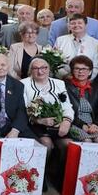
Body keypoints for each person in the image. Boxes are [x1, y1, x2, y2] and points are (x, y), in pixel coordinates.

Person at [0, 54, 34, 181]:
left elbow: (21, 110)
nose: (0, 67)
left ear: (8, 67)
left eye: (3, 64)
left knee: (33, 142)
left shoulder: (17, 85)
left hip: (11, 123)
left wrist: (15, 129)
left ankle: (30, 177)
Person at [21, 56, 74, 187]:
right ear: (30, 70)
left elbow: (67, 106)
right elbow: (21, 110)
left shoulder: (59, 84)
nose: (40, 71)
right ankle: (39, 175)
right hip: (35, 124)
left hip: (58, 125)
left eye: (44, 68)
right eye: (36, 68)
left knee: (68, 144)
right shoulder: (23, 84)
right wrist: (40, 120)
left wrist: (66, 121)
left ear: (49, 69)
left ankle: (58, 176)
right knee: (46, 144)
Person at [65, 55, 98, 143]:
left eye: (84, 69)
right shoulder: (65, 87)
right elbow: (64, 110)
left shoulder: (96, 88)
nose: (81, 72)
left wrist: (97, 125)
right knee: (87, 140)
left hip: (92, 125)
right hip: (73, 125)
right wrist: (82, 125)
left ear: (90, 72)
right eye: (77, 68)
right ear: (72, 71)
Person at [54, 14, 98, 80]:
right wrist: (66, 76)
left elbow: (96, 67)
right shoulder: (60, 40)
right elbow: (55, 62)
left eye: (80, 23)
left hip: (86, 83)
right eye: (73, 23)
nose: (76, 25)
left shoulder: (96, 43)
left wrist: (85, 80)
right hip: (63, 80)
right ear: (69, 26)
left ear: (86, 25)